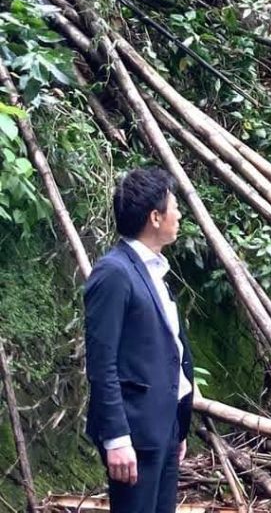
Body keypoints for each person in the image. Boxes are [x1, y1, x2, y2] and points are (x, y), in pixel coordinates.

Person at [84, 168, 194, 513]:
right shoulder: (114, 273)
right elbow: (102, 364)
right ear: (155, 217)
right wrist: (116, 438)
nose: (179, 215)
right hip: (134, 433)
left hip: (164, 426)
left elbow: (168, 349)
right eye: (174, 207)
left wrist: (178, 424)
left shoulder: (155, 271)